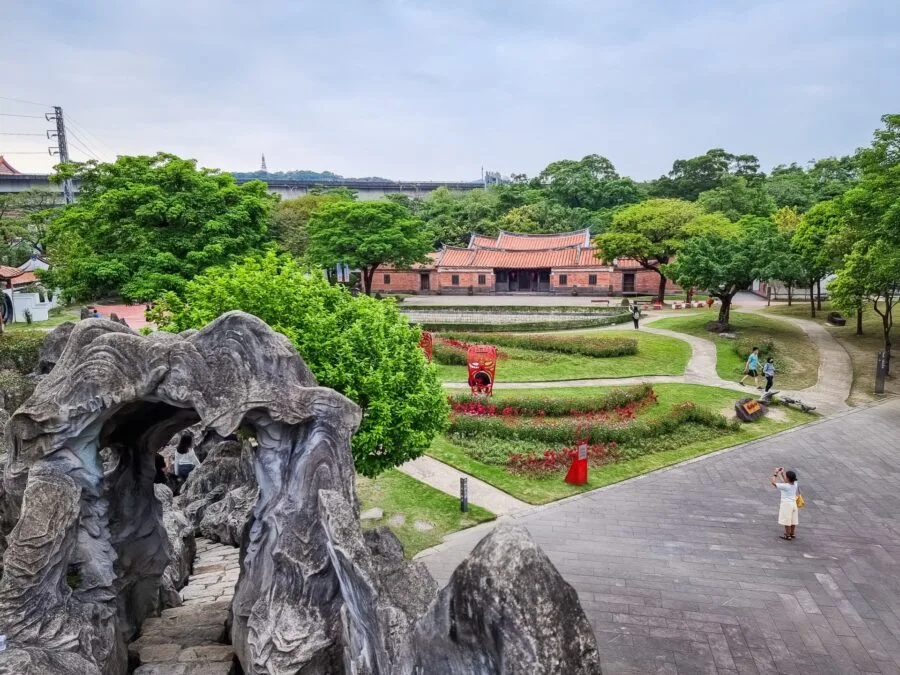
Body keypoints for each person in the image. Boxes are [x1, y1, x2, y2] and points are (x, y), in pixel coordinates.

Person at [770, 468, 799, 540]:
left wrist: (775, 473)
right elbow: (786, 481)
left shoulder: (785, 486)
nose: (785, 477)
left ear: (788, 479)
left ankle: (788, 535)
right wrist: (782, 473)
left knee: (787, 520)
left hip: (786, 505)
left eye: (786, 476)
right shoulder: (795, 483)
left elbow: (773, 483)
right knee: (793, 520)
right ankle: (792, 533)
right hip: (793, 504)